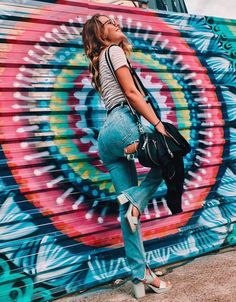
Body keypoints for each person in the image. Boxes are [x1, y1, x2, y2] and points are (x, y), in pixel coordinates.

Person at [82, 14, 173, 298]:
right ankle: (137, 200)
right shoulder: (114, 51)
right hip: (124, 124)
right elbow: (132, 93)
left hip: (107, 135)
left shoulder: (98, 61)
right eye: (108, 23)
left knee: (127, 213)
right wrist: (158, 124)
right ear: (101, 35)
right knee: (170, 157)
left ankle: (140, 276)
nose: (117, 23)